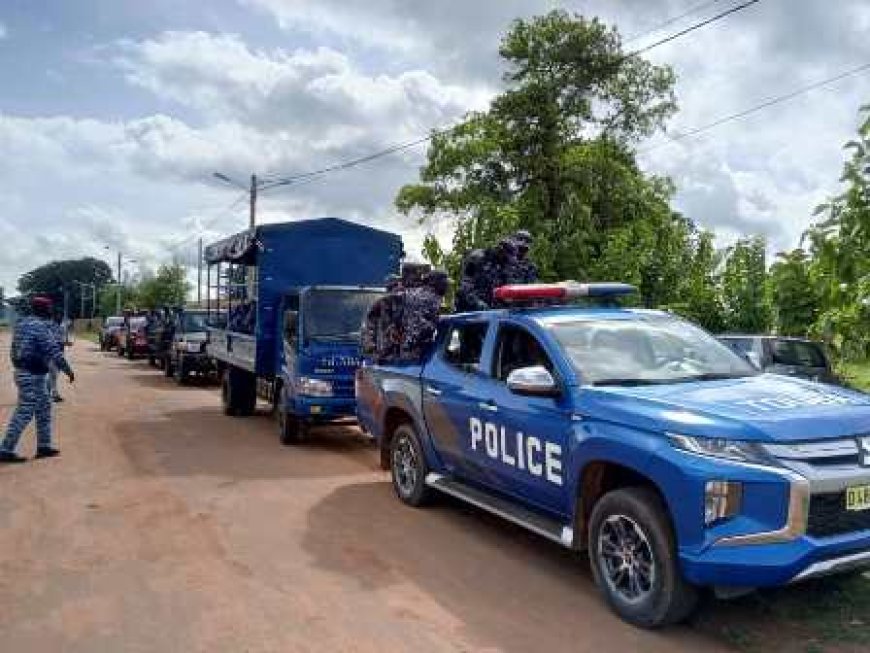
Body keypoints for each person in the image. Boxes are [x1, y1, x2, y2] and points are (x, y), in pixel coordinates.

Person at [1, 296, 74, 463]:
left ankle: (44, 446)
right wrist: (68, 370)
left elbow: (13, 349)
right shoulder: (40, 327)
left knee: (44, 407)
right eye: (49, 308)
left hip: (27, 372)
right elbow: (54, 352)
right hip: (32, 374)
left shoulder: (21, 324)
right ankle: (5, 449)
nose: (51, 311)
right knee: (24, 412)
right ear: (42, 310)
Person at [399, 269, 449, 362]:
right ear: (435, 282)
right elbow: (425, 327)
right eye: (444, 282)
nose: (447, 286)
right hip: (414, 353)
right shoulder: (432, 298)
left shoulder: (412, 292)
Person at [46, 314, 66, 402]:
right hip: (53, 352)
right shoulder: (50, 326)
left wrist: (66, 343)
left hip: (58, 351)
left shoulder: (61, 326)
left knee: (54, 374)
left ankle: (53, 394)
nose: (60, 318)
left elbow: (61, 341)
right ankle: (50, 394)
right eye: (59, 317)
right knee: (53, 374)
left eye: (61, 317)